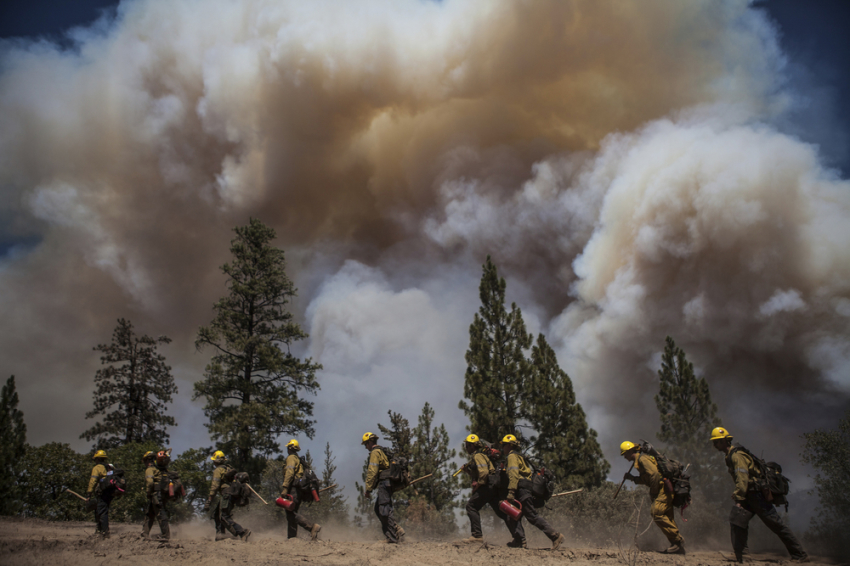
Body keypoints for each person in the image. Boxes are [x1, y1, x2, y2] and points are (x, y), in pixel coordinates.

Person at [710, 427, 808, 563]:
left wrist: (738, 496)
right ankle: (742, 555)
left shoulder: (736, 456)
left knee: (776, 524)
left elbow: (742, 478)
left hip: (756, 495)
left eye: (718, 441)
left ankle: (800, 555)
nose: (715, 445)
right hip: (750, 495)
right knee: (737, 521)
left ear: (726, 441)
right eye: (714, 442)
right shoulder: (731, 455)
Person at [500, 434, 564, 550]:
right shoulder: (519, 456)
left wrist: (511, 491)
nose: (502, 447)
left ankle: (555, 536)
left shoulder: (512, 457)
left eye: (504, 445)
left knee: (531, 516)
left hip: (522, 490)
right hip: (523, 489)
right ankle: (520, 541)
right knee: (511, 515)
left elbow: (514, 475)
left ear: (509, 445)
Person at [620, 441, 685, 555]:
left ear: (630, 451)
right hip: (664, 489)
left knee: (657, 513)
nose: (624, 457)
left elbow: (654, 475)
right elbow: (647, 479)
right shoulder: (639, 461)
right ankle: (676, 545)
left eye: (625, 454)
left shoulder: (642, 459)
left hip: (662, 489)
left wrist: (655, 493)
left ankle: (678, 540)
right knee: (667, 517)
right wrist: (632, 478)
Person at [458, 434, 507, 543]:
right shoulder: (481, 456)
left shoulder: (478, 456)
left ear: (472, 446)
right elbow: (481, 473)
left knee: (471, 506)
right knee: (501, 512)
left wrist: (477, 487)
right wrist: (468, 472)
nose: (466, 448)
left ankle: (477, 535)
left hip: (487, 485)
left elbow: (484, 474)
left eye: (467, 445)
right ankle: (519, 536)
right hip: (492, 485)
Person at [361, 432, 403, 543]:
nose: (366, 447)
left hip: (384, 483)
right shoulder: (382, 451)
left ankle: (392, 538)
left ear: (370, 442)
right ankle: (397, 530)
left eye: (366, 444)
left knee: (384, 510)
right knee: (378, 509)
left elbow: (372, 471)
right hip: (387, 483)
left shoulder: (375, 452)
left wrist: (368, 489)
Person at [279, 439, 322, 541]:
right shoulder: (299, 460)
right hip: (299, 490)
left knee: (290, 512)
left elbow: (289, 472)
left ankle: (311, 527)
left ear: (289, 448)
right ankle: (292, 538)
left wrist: (285, 488)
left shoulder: (291, 458)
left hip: (293, 488)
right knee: (292, 512)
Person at [204, 450, 251, 541]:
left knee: (224, 516)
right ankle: (220, 535)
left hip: (226, 494)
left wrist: (209, 500)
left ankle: (242, 532)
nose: (213, 462)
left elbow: (215, 486)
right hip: (231, 494)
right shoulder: (228, 469)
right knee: (217, 514)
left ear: (216, 461)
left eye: (214, 460)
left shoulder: (218, 470)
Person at [142, 450, 173, 541]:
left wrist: (148, 493)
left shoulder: (150, 469)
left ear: (148, 460)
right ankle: (145, 533)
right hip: (162, 494)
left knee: (160, 514)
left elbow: (150, 482)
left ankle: (165, 535)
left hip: (156, 494)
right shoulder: (160, 470)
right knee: (149, 514)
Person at [85, 450, 110, 538]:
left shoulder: (97, 468)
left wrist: (89, 494)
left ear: (98, 459)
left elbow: (93, 481)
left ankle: (105, 533)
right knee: (100, 509)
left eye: (95, 459)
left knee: (102, 512)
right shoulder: (108, 467)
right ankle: (99, 530)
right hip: (109, 493)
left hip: (102, 493)